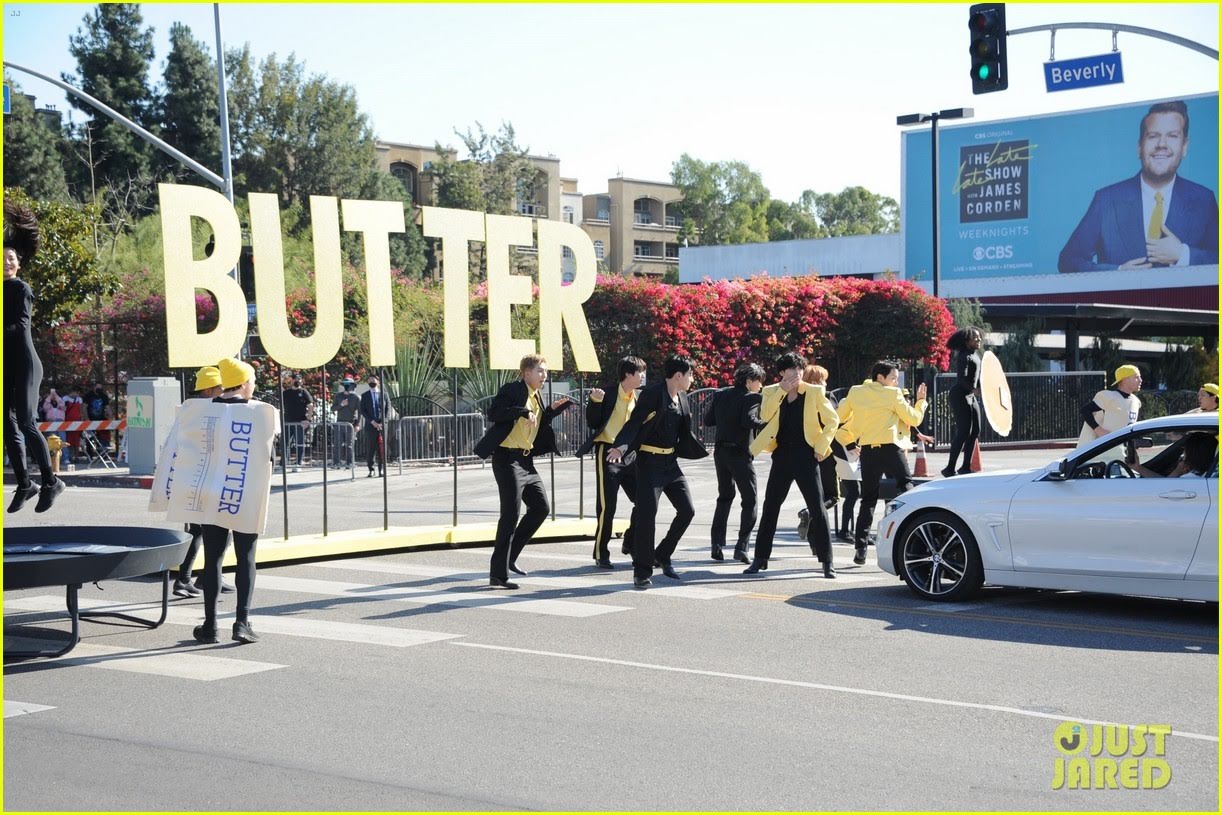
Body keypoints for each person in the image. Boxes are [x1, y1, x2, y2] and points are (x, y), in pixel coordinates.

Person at [1058, 100, 1218, 273]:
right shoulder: (1106, 200)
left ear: (1184, 147)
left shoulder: (1204, 199)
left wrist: (1183, 254)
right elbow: (1068, 261)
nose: (1162, 144)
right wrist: (1117, 273)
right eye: (1153, 136)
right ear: (1139, 147)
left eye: (1172, 136)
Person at [193, 358, 277, 644]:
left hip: (210, 495)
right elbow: (269, 457)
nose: (254, 386)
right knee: (246, 558)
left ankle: (210, 625)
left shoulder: (201, 411)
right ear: (243, 384)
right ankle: (242, 622)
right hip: (245, 494)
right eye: (252, 381)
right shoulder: (261, 413)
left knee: (213, 559)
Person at [472, 354, 574, 589]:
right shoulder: (513, 389)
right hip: (507, 459)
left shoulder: (536, 395)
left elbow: (536, 423)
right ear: (526, 372)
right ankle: (498, 574)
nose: (544, 376)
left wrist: (550, 411)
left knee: (541, 508)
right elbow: (495, 413)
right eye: (540, 371)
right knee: (510, 515)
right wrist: (521, 411)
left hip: (526, 462)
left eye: (545, 372)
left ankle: (510, 558)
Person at [607, 355, 707, 588]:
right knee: (646, 517)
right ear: (679, 376)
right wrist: (621, 446)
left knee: (687, 510)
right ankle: (641, 572)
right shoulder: (653, 394)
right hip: (649, 463)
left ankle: (662, 554)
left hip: (670, 464)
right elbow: (634, 423)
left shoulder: (682, 397)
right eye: (690, 374)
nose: (692, 379)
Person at [745, 353, 840, 578]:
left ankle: (827, 561)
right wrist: (781, 391)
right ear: (782, 373)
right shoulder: (770, 391)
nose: (796, 374)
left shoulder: (814, 392)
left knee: (817, 507)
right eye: (791, 370)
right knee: (770, 507)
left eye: (799, 369)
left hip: (807, 455)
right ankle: (760, 559)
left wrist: (820, 447)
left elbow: (832, 420)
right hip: (782, 455)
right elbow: (765, 415)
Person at [4, 200, 64, 514]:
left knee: (26, 421)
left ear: (18, 263)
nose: (5, 263)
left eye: (10, 259)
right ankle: (26, 484)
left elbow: (19, 326)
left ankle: (52, 481)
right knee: (6, 425)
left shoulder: (20, 289)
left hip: (25, 363)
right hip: (6, 366)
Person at [837, 361, 928, 566]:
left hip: (868, 451)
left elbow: (838, 418)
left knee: (868, 499)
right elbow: (913, 419)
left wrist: (849, 440)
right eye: (893, 378)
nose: (896, 383)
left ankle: (860, 547)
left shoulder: (856, 392)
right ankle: (915, 536)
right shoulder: (892, 395)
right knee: (907, 489)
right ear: (880, 377)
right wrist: (921, 401)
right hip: (891, 449)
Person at [576, 356, 646, 569]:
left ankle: (631, 542)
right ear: (627, 374)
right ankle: (601, 552)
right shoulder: (606, 393)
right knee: (608, 507)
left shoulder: (641, 397)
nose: (643, 376)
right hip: (607, 453)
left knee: (644, 502)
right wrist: (595, 403)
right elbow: (593, 422)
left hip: (630, 455)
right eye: (640, 372)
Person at [171, 366, 226, 599]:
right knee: (200, 532)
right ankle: (186, 580)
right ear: (210, 389)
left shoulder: (192, 409)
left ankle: (206, 577)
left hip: (195, 479)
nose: (224, 391)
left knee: (203, 531)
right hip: (201, 479)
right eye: (221, 388)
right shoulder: (205, 410)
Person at [704, 362, 765, 564]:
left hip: (720, 451)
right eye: (759, 382)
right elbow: (749, 421)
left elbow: (709, 420)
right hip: (740, 453)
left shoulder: (721, 394)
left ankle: (717, 544)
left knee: (725, 497)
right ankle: (742, 546)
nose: (761, 386)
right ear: (749, 382)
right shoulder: (752, 397)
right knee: (750, 500)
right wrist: (767, 421)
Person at [942, 327, 983, 477]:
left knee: (975, 431)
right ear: (967, 341)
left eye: (979, 337)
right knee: (964, 431)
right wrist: (973, 389)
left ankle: (965, 467)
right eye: (975, 338)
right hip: (960, 395)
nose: (979, 340)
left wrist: (980, 388)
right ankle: (949, 468)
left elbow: (977, 378)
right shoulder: (964, 356)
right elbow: (961, 379)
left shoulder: (976, 355)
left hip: (970, 395)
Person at [1077, 364, 1142, 447]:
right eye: (1136, 377)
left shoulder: (1136, 401)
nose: (1140, 380)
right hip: (1106, 449)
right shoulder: (1108, 397)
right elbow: (1085, 410)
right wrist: (1098, 430)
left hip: (1127, 448)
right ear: (1125, 379)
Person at [282, 373, 313, 470]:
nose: (297, 382)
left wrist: (308, 419)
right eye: (296, 380)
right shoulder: (285, 393)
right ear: (292, 380)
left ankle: (298, 463)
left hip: (300, 422)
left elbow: (310, 405)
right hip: (287, 421)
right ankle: (284, 463)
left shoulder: (304, 392)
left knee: (299, 443)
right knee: (285, 442)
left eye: (299, 380)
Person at [360, 374, 386, 477]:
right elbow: (363, 411)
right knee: (370, 449)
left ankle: (381, 469)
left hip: (382, 426)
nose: (371, 382)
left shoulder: (384, 394)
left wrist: (382, 422)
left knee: (381, 449)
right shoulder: (365, 395)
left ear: (378, 382)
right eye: (369, 380)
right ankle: (371, 469)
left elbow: (387, 410)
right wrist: (372, 422)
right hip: (371, 426)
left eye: (373, 380)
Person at [331, 377, 360, 466]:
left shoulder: (356, 397)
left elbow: (360, 412)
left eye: (349, 385)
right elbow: (333, 408)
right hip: (339, 423)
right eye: (345, 385)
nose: (347, 386)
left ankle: (350, 463)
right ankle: (336, 463)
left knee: (349, 444)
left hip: (350, 423)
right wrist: (341, 404)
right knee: (337, 444)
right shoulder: (338, 396)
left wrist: (357, 425)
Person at [87, 382, 111, 446]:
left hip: (101, 421)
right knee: (90, 440)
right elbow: (84, 407)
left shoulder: (104, 396)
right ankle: (90, 455)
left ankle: (103, 453)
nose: (99, 390)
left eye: (101, 388)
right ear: (94, 387)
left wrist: (110, 418)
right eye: (98, 388)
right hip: (91, 420)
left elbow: (108, 408)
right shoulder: (88, 395)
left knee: (102, 439)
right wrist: (86, 419)